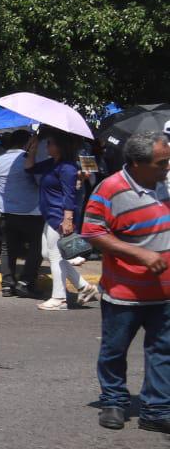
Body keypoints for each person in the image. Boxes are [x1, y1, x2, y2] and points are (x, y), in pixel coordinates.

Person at [83, 132, 170, 431]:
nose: (166, 168)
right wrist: (140, 254)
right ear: (136, 163)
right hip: (125, 293)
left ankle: (156, 409)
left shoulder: (165, 185)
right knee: (114, 350)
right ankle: (114, 402)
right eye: (161, 164)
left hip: (164, 293)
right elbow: (92, 232)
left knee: (163, 351)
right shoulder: (110, 190)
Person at [26, 131, 98, 311]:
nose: (47, 146)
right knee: (46, 253)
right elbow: (29, 168)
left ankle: (59, 298)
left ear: (60, 147)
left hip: (60, 215)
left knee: (55, 256)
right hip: (50, 214)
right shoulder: (52, 164)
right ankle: (83, 286)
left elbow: (70, 196)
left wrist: (68, 219)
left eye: (50, 143)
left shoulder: (68, 167)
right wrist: (32, 150)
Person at [0, 129, 43, 298]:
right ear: (28, 143)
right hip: (31, 211)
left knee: (8, 248)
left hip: (6, 211)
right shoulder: (27, 160)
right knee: (37, 247)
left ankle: (7, 284)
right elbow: (38, 181)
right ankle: (26, 281)